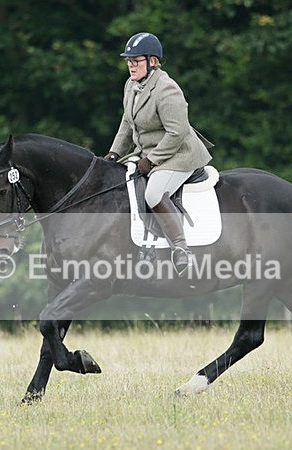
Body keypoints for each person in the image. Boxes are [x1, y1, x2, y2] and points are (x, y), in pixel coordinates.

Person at [104, 32, 213, 275]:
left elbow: (176, 133)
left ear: (152, 61)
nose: (131, 65)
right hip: (148, 152)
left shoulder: (167, 89)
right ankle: (144, 243)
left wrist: (151, 161)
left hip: (179, 154)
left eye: (136, 60)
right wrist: (113, 153)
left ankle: (180, 248)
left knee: (153, 193)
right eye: (128, 61)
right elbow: (126, 122)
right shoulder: (131, 85)